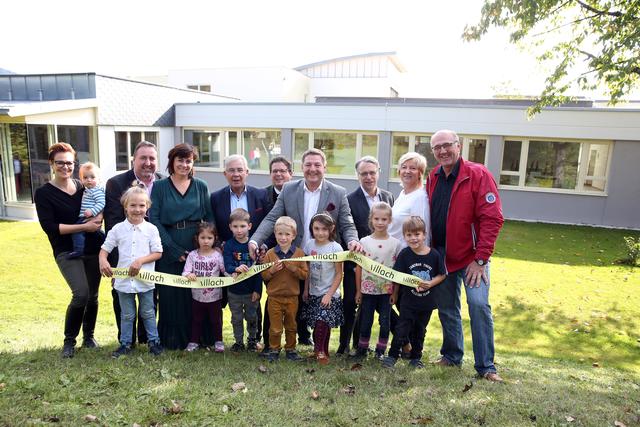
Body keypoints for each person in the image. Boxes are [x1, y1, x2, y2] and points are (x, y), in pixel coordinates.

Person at [250, 148, 361, 346]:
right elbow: (272, 217)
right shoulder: (288, 189)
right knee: (280, 297)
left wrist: (353, 240)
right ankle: (270, 344)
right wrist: (255, 240)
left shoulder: (338, 192)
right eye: (308, 165)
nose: (312, 169)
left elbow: (346, 222)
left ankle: (308, 341)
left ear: (324, 167)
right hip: (292, 256)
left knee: (311, 302)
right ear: (302, 167)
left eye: (317, 165)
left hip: (322, 263)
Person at [427, 129, 505, 382]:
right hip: (442, 258)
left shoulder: (478, 174)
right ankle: (451, 355)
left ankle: (486, 366)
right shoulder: (433, 176)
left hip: (473, 260)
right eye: (437, 148)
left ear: (458, 146)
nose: (442, 151)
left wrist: (481, 259)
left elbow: (492, 218)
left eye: (447, 145)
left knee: (479, 305)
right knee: (448, 309)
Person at [34, 143, 103, 358]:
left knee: (92, 295)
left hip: (92, 248)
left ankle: (89, 337)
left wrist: (98, 219)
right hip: (66, 250)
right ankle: (69, 341)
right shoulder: (44, 193)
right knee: (81, 293)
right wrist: (84, 226)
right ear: (51, 164)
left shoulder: (83, 186)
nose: (65, 166)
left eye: (69, 163)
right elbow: (51, 228)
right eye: (60, 162)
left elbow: (99, 207)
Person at [149, 143, 213, 350]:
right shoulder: (159, 187)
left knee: (195, 294)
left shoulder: (201, 186)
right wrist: (173, 249)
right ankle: (172, 341)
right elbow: (155, 219)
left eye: (189, 160)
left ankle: (199, 339)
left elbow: (209, 218)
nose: (184, 165)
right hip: (168, 244)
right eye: (180, 160)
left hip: (197, 245)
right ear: (172, 162)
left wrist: (208, 247)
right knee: (171, 294)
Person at [104, 141, 163, 347]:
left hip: (150, 262)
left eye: (152, 158)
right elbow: (111, 226)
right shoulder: (115, 183)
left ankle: (149, 340)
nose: (148, 163)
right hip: (123, 264)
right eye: (143, 158)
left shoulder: (164, 182)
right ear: (133, 160)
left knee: (149, 306)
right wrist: (115, 269)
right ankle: (126, 342)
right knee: (125, 309)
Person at [210, 154, 270, 348]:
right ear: (225, 173)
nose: (236, 174)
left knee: (254, 299)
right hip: (229, 255)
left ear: (247, 172)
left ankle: (255, 338)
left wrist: (263, 245)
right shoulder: (216, 197)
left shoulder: (261, 195)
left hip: (255, 255)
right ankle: (236, 340)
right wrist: (219, 245)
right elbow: (213, 225)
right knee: (234, 300)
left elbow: (268, 223)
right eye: (231, 170)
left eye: (239, 170)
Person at [98, 186, 164, 358]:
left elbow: (158, 252)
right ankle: (126, 344)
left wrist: (141, 261)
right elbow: (104, 250)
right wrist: (103, 261)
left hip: (146, 281)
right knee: (127, 315)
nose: (137, 209)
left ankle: (154, 342)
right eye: (133, 205)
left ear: (147, 207)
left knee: (148, 312)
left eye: (142, 205)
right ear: (125, 207)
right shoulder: (117, 229)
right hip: (124, 283)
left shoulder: (152, 229)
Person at [340, 156, 395, 356]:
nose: (369, 177)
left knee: (376, 306)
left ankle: (360, 345)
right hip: (357, 263)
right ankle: (343, 345)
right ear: (358, 176)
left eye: (372, 172)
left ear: (378, 172)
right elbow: (347, 227)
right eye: (364, 173)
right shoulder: (349, 199)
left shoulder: (388, 197)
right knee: (351, 303)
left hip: (382, 265)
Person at [382, 216, 446, 369]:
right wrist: (395, 294)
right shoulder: (405, 254)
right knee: (401, 328)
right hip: (408, 301)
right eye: (409, 235)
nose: (413, 238)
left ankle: (416, 357)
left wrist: (430, 283)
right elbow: (397, 276)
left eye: (417, 234)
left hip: (427, 302)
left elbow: (442, 274)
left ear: (424, 235)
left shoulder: (434, 255)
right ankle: (392, 356)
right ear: (404, 236)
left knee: (420, 330)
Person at [353, 202, 402, 360]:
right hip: (368, 291)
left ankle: (380, 351)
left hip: (386, 291)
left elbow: (397, 272)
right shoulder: (364, 241)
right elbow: (359, 267)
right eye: (377, 219)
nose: (380, 222)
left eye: (384, 219)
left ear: (390, 220)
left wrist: (395, 292)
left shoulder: (396, 244)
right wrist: (359, 291)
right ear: (371, 220)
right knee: (366, 321)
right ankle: (362, 349)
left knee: (385, 322)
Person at [261, 216, 309, 362]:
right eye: (280, 234)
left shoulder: (299, 253)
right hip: (274, 298)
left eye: (287, 234)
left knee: (291, 325)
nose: (283, 237)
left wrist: (294, 268)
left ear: (293, 235)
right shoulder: (270, 254)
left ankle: (291, 350)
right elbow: (264, 276)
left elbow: (305, 275)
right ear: (275, 234)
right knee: (275, 327)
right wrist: (272, 270)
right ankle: (274, 349)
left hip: (292, 298)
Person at [260, 156, 294, 353]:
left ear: (290, 174)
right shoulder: (262, 195)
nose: (279, 174)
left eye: (283, 170)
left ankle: (294, 341)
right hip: (270, 254)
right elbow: (262, 222)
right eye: (275, 171)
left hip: (293, 253)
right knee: (271, 298)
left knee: (293, 299)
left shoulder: (297, 193)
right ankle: (269, 343)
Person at [302, 213, 344, 365]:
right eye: (316, 228)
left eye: (324, 229)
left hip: (330, 293)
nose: (320, 232)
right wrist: (306, 290)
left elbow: (339, 274)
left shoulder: (336, 248)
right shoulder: (309, 245)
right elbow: (307, 270)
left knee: (322, 319)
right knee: (320, 322)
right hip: (314, 292)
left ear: (331, 229)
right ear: (311, 228)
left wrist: (329, 294)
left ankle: (319, 351)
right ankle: (323, 351)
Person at [182, 222, 226, 353]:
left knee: (216, 320)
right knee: (196, 320)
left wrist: (236, 273)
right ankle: (194, 341)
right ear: (197, 238)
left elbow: (225, 271)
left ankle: (219, 341)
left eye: (209, 238)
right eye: (203, 238)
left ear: (215, 239)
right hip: (197, 296)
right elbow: (185, 272)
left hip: (214, 297)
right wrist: (189, 275)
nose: (206, 241)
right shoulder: (192, 255)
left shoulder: (218, 256)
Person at [223, 208, 262, 352]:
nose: (239, 230)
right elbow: (227, 265)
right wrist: (236, 269)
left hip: (250, 291)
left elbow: (258, 270)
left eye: (242, 226)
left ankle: (252, 340)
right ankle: (238, 341)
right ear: (230, 227)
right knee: (236, 318)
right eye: (235, 226)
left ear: (249, 226)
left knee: (252, 317)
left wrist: (258, 290)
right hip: (234, 291)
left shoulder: (253, 246)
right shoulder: (228, 245)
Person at [388, 152, 431, 248]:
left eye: (413, 168)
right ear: (399, 171)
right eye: (404, 167)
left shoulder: (420, 197)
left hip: (407, 256)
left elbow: (424, 233)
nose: (407, 171)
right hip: (392, 254)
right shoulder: (403, 194)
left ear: (420, 173)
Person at [68, 162, 105, 259]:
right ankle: (104, 241)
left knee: (77, 231)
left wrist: (92, 211)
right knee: (95, 232)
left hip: (88, 216)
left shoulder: (96, 190)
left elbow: (102, 203)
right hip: (86, 216)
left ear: (99, 179)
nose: (89, 180)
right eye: (85, 177)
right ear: (81, 179)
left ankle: (79, 250)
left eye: (92, 177)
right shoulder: (87, 190)